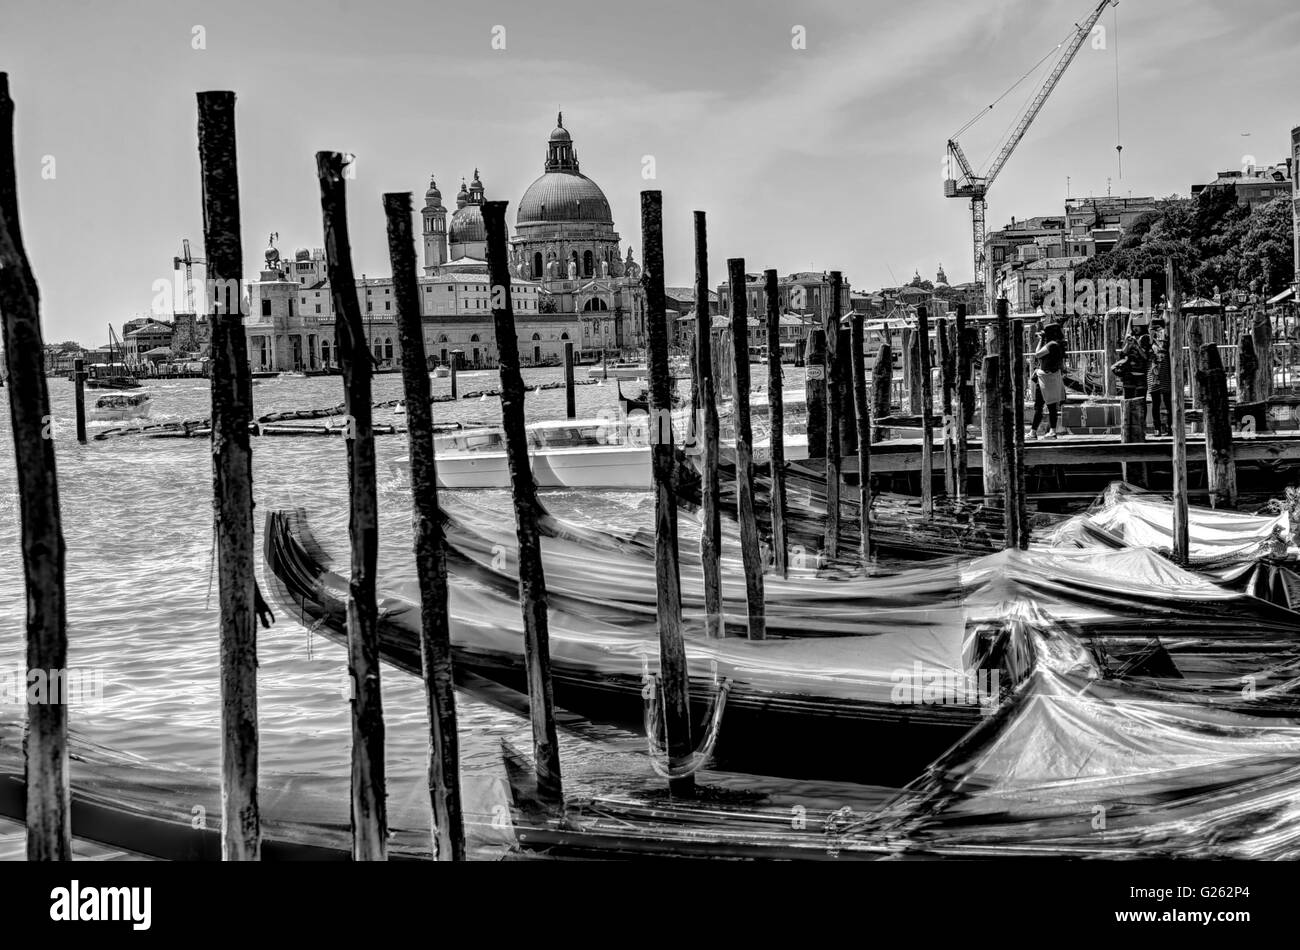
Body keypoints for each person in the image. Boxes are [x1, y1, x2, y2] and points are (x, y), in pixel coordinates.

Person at [1029, 320, 1066, 439]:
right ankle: (1051, 431)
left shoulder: (1051, 345)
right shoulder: (1059, 343)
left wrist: (1041, 340)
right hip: (1053, 377)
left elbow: (1038, 354)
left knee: (1039, 406)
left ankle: (1034, 432)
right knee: (1051, 406)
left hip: (1045, 378)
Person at [1147, 318, 1172, 436]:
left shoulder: (1167, 339)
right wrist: (1151, 337)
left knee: (1168, 403)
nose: (1156, 331)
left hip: (1166, 373)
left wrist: (1162, 335)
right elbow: (1146, 351)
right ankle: (1157, 428)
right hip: (1153, 375)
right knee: (1155, 403)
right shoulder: (1147, 340)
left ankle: (1170, 427)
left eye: (1158, 328)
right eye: (1153, 328)